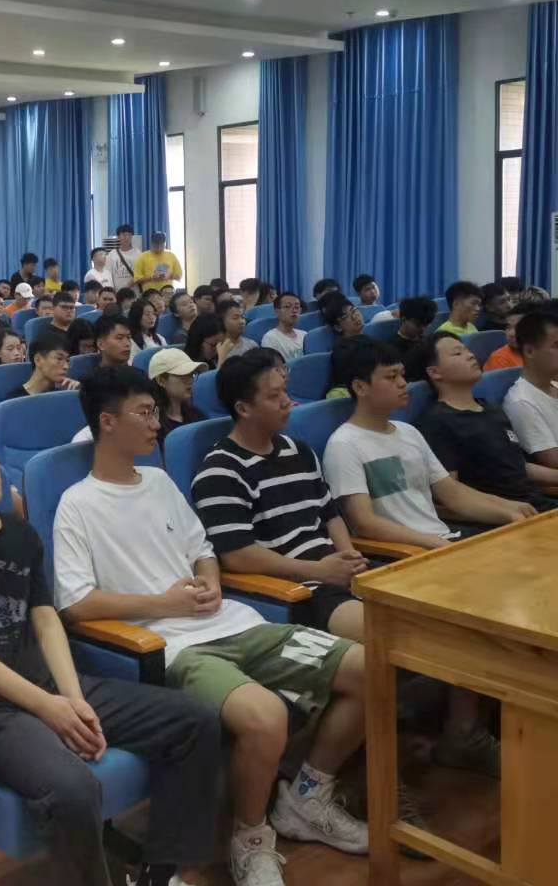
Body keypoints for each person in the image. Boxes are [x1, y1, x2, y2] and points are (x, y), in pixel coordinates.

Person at [54, 366, 369, 885]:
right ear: (107, 422)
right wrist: (165, 603)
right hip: (175, 647)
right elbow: (76, 604)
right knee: (265, 716)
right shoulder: (78, 504)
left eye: (156, 411)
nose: (156, 423)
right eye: (145, 413)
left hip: (235, 624)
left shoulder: (159, 482)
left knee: (367, 667)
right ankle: (252, 838)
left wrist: (211, 581)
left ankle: (308, 797)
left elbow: (202, 548)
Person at [0, 410, 223, 886]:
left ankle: (162, 872)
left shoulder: (19, 533)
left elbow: (46, 620)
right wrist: (48, 707)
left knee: (195, 720)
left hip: (51, 685)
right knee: (72, 789)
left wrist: (73, 698)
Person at [192, 353, 367, 642]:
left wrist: (351, 562)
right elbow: (238, 555)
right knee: (393, 633)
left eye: (285, 391)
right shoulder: (220, 470)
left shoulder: (298, 450)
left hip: (335, 571)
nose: (287, 402)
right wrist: (319, 571)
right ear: (243, 408)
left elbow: (329, 514)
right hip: (298, 589)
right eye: (274, 396)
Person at [323, 338, 535, 550]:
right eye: (391, 377)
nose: (403, 383)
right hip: (413, 550)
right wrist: (433, 542)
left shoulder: (409, 432)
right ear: (360, 387)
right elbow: (363, 522)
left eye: (402, 375)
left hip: (445, 538)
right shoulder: (344, 444)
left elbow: (453, 494)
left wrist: (509, 509)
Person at [418, 332, 558, 512]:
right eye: (457, 353)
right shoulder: (437, 422)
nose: (470, 355)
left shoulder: (492, 410)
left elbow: (518, 466)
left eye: (467, 350)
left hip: (537, 505)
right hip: (505, 516)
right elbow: (449, 494)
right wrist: (505, 511)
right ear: (435, 372)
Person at [502, 309, 558, 469]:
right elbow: (554, 461)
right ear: (529, 351)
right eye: (556, 346)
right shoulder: (522, 402)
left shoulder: (554, 385)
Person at [148, 348, 204, 440]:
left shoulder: (197, 415)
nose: (191, 380)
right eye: (183, 375)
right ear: (161, 380)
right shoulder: (152, 425)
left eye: (192, 374)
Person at [5, 334, 79, 401]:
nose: (66, 366)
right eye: (59, 359)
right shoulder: (15, 401)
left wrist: (79, 395)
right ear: (38, 360)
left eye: (67, 360)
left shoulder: (65, 393)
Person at [387, 296, 437, 381]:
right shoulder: (390, 348)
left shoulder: (429, 341)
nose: (423, 329)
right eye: (418, 324)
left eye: (426, 324)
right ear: (404, 320)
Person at [484, 299, 536, 371]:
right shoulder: (499, 359)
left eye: (519, 327)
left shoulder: (545, 352)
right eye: (508, 327)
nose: (511, 333)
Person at [261, 292, 306, 362]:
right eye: (287, 307)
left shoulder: (305, 335)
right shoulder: (270, 338)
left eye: (297, 307)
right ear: (277, 312)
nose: (294, 310)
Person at [106, 225, 138, 292]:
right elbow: (108, 275)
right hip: (117, 293)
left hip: (135, 293)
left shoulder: (138, 253)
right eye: (123, 235)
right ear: (118, 237)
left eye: (129, 235)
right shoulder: (111, 254)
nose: (126, 238)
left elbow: (141, 274)